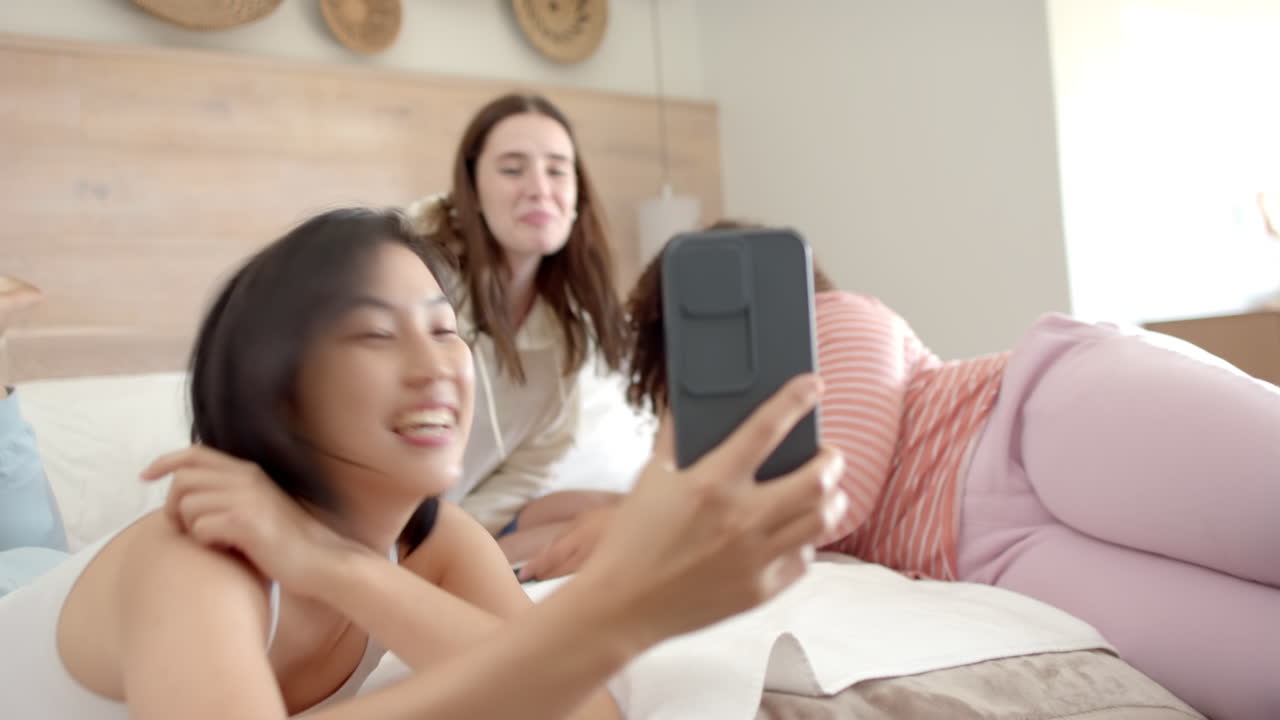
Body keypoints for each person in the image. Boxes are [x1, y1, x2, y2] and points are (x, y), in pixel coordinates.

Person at [0, 208, 846, 719]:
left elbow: (576, 707)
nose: (437, 364)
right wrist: (623, 608)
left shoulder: (438, 548)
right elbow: (548, 672)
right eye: (375, 333)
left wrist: (339, 569)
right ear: (276, 385)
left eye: (446, 329)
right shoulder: (195, 557)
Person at [521, 221, 1280, 720]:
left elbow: (835, 495)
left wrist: (633, 524)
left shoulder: (845, 317)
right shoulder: (709, 472)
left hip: (1024, 421)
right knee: (1256, 673)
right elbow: (541, 520)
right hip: (988, 555)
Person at [404, 93, 633, 560]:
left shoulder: (565, 333)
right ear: (471, 188)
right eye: (512, 169)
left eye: (556, 169)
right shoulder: (417, 279)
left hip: (465, 518)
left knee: (628, 514)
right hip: (393, 526)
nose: (538, 188)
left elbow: (533, 464)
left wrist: (463, 532)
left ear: (576, 194)